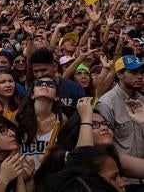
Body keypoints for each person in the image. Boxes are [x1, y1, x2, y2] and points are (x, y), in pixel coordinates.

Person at [95, 55, 144, 186]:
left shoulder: (142, 100)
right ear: (120, 74)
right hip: (123, 180)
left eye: (141, 72)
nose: (140, 76)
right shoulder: (106, 103)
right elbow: (103, 147)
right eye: (133, 72)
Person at [15, 75, 65, 170]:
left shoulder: (62, 119)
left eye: (50, 84)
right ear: (32, 95)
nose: (44, 85)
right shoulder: (18, 116)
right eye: (39, 84)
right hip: (22, 174)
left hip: (48, 176)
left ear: (57, 97)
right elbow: (12, 151)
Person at [29, 48, 84, 117]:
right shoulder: (31, 89)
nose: (39, 75)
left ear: (55, 66)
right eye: (35, 71)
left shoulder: (74, 88)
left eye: (43, 70)